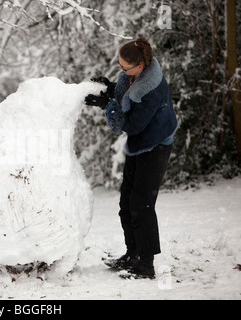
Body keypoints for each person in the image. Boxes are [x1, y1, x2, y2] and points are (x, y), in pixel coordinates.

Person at [84, 37, 179, 279]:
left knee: (142, 205)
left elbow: (131, 126)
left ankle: (146, 265)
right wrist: (108, 88)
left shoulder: (151, 90)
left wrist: (108, 105)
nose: (121, 70)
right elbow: (123, 91)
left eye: (124, 68)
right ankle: (132, 254)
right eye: (119, 65)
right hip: (139, 146)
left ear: (140, 66)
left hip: (155, 146)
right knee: (126, 203)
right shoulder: (132, 75)